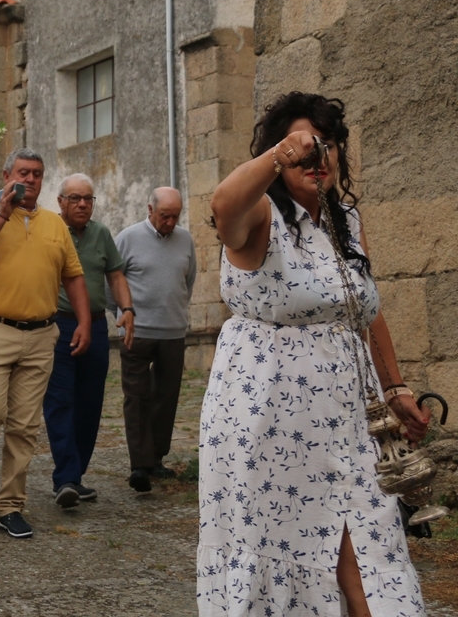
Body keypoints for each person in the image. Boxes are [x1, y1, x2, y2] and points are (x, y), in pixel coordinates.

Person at [199, 92, 429, 617]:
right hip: (270, 414)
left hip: (351, 414)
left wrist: (395, 389)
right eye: (307, 149)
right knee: (293, 543)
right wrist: (282, 154)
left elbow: (366, 307)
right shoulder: (258, 216)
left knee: (368, 543)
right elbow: (222, 206)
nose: (317, 159)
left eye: (328, 147)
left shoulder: (344, 218)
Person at [0, 148, 91, 539]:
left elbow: (73, 277)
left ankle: (12, 505)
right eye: (23, 173)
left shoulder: (54, 224)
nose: (30, 180)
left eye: (36, 174)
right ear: (7, 175)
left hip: (40, 334)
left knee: (24, 425)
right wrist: (1, 214)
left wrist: (83, 321)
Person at [45, 174, 135, 508]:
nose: (83, 204)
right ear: (61, 202)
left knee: (90, 404)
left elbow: (115, 273)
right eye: (76, 198)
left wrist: (126, 309)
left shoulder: (101, 234)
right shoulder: (50, 231)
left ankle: (75, 476)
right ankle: (66, 478)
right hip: (60, 326)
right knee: (60, 400)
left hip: (97, 327)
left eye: (88, 199)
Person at [114, 186, 197, 493]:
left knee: (166, 396)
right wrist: (121, 314)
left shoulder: (185, 239)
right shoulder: (128, 238)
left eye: (175, 216)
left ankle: (156, 458)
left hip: (173, 331)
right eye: (165, 216)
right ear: (150, 210)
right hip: (137, 331)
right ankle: (139, 465)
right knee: (136, 397)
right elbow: (114, 278)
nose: (170, 222)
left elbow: (188, 279)